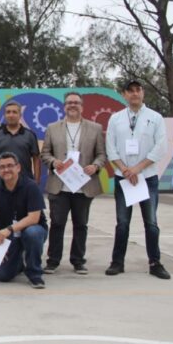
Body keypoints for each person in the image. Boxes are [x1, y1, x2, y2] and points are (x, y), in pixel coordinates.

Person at [105, 80, 170, 279]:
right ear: (124, 94)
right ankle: (117, 262)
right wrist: (125, 169)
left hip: (147, 177)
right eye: (130, 91)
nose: (135, 94)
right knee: (122, 223)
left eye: (138, 90)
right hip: (123, 178)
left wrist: (137, 169)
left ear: (143, 93)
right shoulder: (116, 119)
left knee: (151, 222)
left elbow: (160, 147)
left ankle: (155, 262)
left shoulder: (155, 117)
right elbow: (111, 147)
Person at [41, 92, 106, 275]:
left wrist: (95, 166)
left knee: (81, 225)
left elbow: (102, 154)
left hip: (84, 185)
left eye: (76, 102)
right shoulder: (52, 128)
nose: (72, 105)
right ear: (64, 106)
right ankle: (53, 261)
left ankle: (78, 261)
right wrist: (53, 162)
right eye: (69, 102)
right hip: (59, 185)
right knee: (57, 223)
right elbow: (45, 153)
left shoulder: (95, 128)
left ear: (82, 106)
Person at [0, 152, 48, 289]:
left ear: (18, 167)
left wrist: (9, 229)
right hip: (7, 235)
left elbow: (34, 218)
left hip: (29, 230)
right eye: (2, 167)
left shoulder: (31, 186)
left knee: (33, 233)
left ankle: (35, 274)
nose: (6, 170)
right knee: (3, 276)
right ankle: (18, 263)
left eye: (10, 165)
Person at [0, 100, 41, 181]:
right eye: (8, 112)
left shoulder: (30, 135)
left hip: (26, 183)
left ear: (20, 115)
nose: (11, 115)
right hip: (3, 182)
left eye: (14, 112)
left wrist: (36, 182)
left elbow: (36, 159)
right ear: (4, 115)